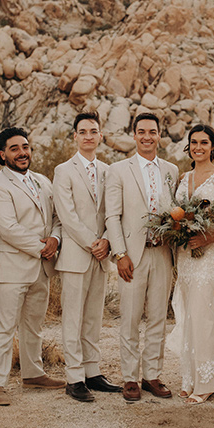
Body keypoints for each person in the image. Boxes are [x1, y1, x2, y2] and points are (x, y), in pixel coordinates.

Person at [0, 127, 65, 405]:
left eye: (26, 147)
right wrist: (42, 247)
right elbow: (6, 227)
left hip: (41, 267)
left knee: (34, 324)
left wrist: (55, 238)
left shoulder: (43, 181)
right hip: (11, 267)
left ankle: (33, 373)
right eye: (15, 148)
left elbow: (57, 216)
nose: (22, 153)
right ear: (2, 153)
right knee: (3, 325)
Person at [105, 112, 179, 402]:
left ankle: (152, 375)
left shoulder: (172, 170)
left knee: (159, 317)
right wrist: (120, 253)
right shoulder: (118, 170)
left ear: (160, 135)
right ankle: (129, 378)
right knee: (131, 318)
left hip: (162, 253)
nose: (147, 137)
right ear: (133, 135)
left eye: (152, 132)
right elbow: (112, 215)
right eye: (141, 132)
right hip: (132, 255)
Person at [52, 113, 122, 402]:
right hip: (75, 253)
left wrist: (106, 239)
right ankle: (74, 377)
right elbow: (66, 214)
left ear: (101, 136)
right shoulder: (63, 170)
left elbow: (114, 210)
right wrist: (91, 242)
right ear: (75, 137)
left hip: (101, 253)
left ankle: (93, 371)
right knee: (73, 317)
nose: (89, 136)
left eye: (94, 131)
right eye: (83, 131)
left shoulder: (110, 171)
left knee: (94, 317)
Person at [170, 125, 214, 404]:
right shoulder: (183, 176)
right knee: (188, 314)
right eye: (194, 142)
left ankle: (208, 382)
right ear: (188, 146)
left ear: (213, 146)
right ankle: (191, 377)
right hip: (185, 255)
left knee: (204, 313)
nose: (198, 147)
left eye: (204, 142)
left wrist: (208, 237)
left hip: (209, 254)